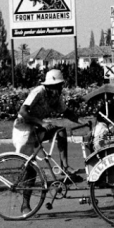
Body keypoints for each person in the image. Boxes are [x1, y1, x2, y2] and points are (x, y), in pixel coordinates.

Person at [12, 69, 80, 213]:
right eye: (57, 86)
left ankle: (64, 167)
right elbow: (23, 112)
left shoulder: (55, 97)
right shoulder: (39, 92)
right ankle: (25, 205)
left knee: (60, 131)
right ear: (49, 86)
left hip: (37, 128)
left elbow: (66, 112)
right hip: (23, 129)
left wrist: (81, 120)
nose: (60, 89)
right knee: (30, 169)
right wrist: (42, 123)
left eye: (60, 86)